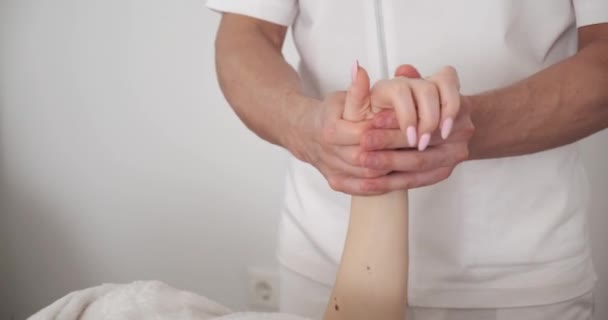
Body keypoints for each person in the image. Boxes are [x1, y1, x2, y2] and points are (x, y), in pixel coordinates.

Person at [208, 1, 608, 319]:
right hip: (326, 252)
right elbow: (247, 32)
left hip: (518, 264)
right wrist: (304, 126)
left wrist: (463, 124)